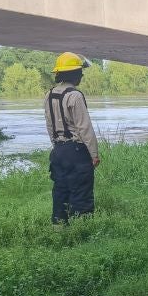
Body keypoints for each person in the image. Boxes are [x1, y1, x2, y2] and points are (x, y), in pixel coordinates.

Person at [44, 52, 100, 225]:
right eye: (80, 72)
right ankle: (82, 230)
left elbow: (49, 125)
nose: (82, 76)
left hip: (58, 151)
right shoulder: (75, 96)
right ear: (74, 74)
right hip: (77, 152)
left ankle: (59, 228)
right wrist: (94, 154)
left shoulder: (49, 94)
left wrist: (57, 146)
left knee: (60, 192)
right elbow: (85, 128)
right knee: (81, 193)